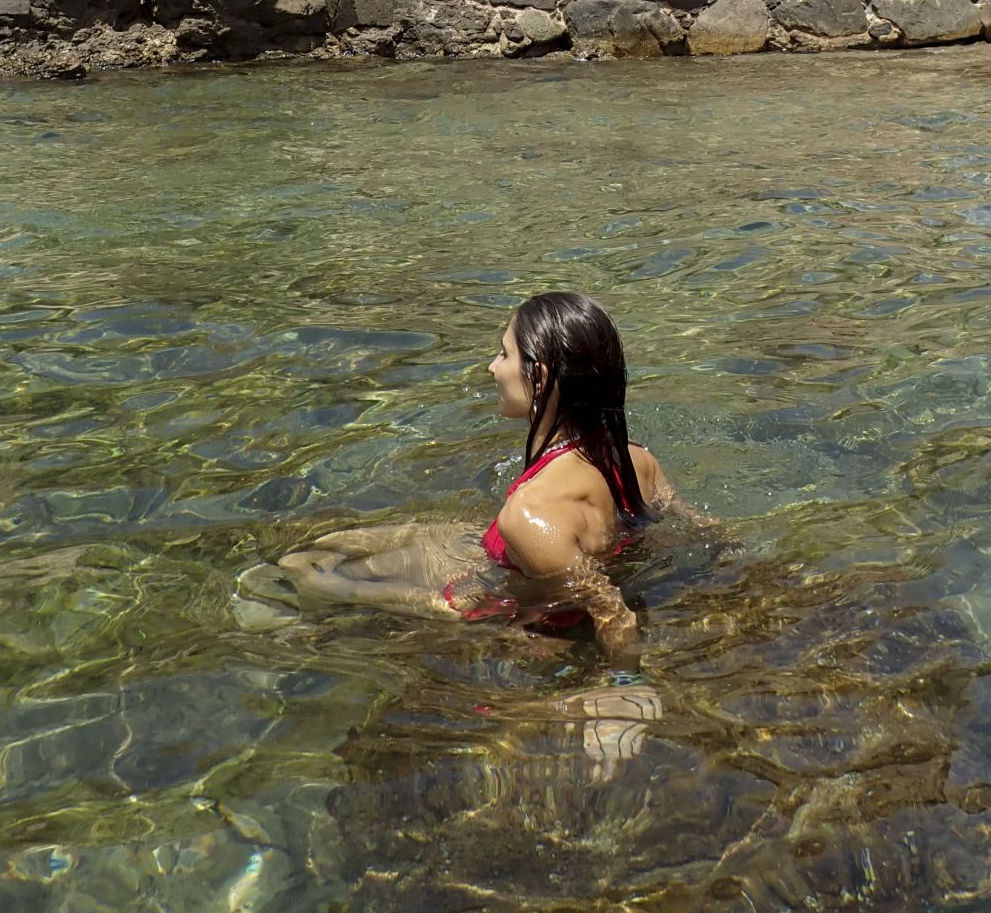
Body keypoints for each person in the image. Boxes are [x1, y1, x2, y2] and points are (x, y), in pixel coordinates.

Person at [259, 292, 701, 774]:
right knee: (336, 544)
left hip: (488, 598)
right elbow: (692, 522)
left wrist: (622, 686)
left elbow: (610, 610)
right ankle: (315, 570)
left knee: (313, 571)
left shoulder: (528, 515)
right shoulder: (635, 458)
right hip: (513, 553)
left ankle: (305, 600)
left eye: (505, 353)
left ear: (542, 377)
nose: (492, 367)